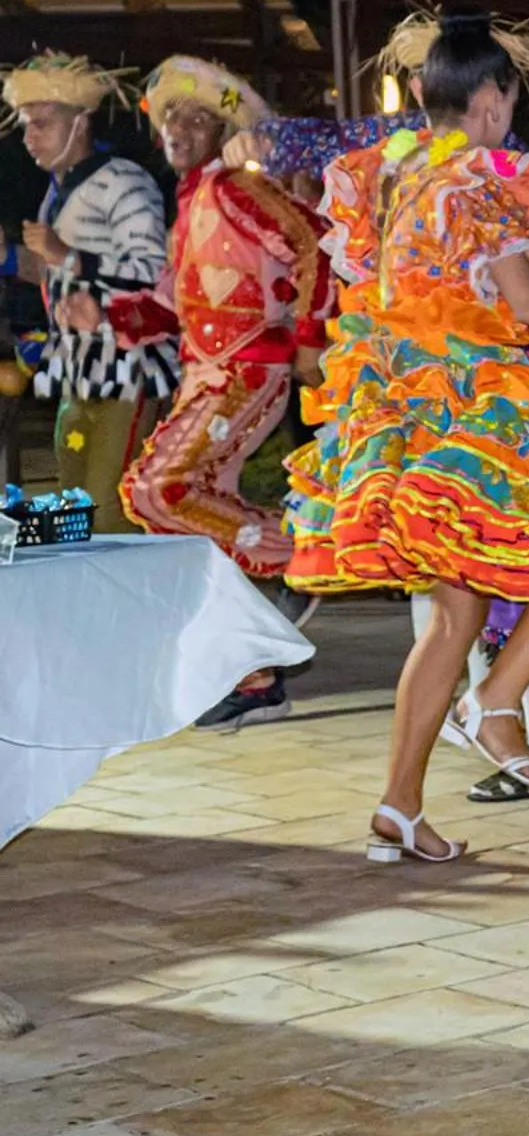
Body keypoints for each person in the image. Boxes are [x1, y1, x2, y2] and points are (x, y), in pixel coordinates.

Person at [284, 9, 529, 862]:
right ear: (492, 100)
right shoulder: (478, 182)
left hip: (399, 413)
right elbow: (528, 304)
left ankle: (402, 804)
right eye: (508, 98)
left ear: (425, 95)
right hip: (472, 411)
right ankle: (494, 703)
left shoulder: (384, 175)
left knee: (450, 622)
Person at [88, 58, 333, 727]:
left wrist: (311, 337)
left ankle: (297, 556)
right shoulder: (194, 199)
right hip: (211, 372)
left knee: (157, 490)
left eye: (200, 117)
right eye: (172, 114)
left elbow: (313, 243)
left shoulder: (231, 188)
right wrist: (114, 316)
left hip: (246, 371)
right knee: (198, 522)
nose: (181, 126)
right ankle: (252, 677)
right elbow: (179, 301)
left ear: (223, 130)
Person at [0, 53, 174, 534]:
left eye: (42, 124)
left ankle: (149, 598)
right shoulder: (58, 189)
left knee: (108, 504)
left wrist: (66, 254)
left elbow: (153, 269)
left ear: (80, 123)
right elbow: (57, 269)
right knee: (75, 504)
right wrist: (12, 258)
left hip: (128, 365)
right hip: (78, 365)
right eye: (26, 126)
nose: (30, 137)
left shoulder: (124, 181)